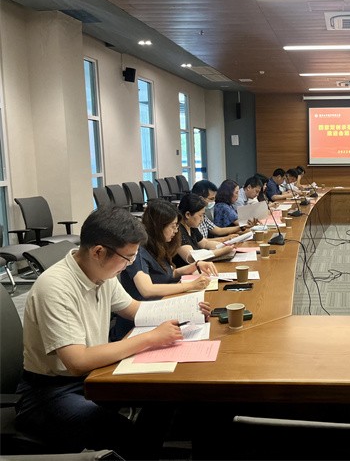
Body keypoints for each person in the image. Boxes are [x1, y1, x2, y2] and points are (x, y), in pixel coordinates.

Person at [15, 206, 211, 456]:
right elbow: (77, 361)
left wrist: (187, 310)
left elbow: (134, 309)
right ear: (98, 252)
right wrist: (151, 338)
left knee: (165, 397)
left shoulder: (101, 272)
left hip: (94, 376)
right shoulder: (55, 287)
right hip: (50, 391)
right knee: (124, 434)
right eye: (128, 258)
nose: (130, 264)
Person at [111, 199, 218, 341]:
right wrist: (190, 285)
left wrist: (195, 265)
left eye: (177, 226)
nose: (176, 231)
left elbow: (167, 274)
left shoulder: (158, 246)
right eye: (173, 226)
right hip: (139, 323)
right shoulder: (138, 251)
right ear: (158, 226)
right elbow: (147, 289)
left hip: (159, 309)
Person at [174, 193, 236, 267]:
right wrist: (222, 251)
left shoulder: (191, 227)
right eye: (200, 215)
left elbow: (205, 243)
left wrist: (224, 245)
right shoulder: (178, 231)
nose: (202, 219)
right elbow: (191, 257)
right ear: (188, 214)